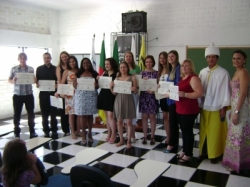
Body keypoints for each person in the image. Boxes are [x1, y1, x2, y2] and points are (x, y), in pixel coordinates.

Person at [198, 45, 231, 163]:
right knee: (203, 130)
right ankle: (204, 152)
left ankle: (216, 154)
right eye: (209, 57)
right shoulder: (202, 72)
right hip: (204, 107)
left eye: (213, 57)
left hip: (217, 107)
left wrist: (224, 107)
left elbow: (226, 92)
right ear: (206, 58)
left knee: (215, 131)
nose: (211, 59)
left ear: (217, 58)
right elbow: (199, 89)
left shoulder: (223, 73)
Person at [222, 50, 250, 172]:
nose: (236, 60)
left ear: (244, 60)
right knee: (235, 135)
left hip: (241, 107)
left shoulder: (243, 72)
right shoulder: (236, 72)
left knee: (239, 135)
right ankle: (234, 162)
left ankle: (240, 164)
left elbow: (243, 93)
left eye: (239, 58)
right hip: (235, 106)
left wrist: (237, 111)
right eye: (234, 58)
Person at [175, 59, 203, 163]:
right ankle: (185, 149)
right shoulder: (183, 78)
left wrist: (186, 95)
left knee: (187, 132)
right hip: (180, 108)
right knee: (184, 131)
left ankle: (188, 153)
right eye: (183, 66)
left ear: (191, 67)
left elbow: (199, 93)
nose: (184, 67)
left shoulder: (193, 78)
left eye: (187, 66)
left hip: (189, 109)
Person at [8, 53, 38, 139]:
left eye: (24, 58)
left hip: (28, 94)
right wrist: (13, 80)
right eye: (21, 58)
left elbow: (34, 80)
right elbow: (9, 80)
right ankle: (16, 132)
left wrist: (35, 80)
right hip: (18, 95)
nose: (22, 60)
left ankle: (32, 131)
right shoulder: (14, 69)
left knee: (31, 114)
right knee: (17, 114)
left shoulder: (31, 69)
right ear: (18, 59)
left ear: (26, 59)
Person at [111, 62, 137, 149]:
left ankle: (129, 140)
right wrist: (111, 87)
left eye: (124, 67)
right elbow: (114, 93)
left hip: (128, 100)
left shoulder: (132, 77)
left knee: (129, 122)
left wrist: (134, 89)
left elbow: (136, 91)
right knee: (119, 122)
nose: (123, 69)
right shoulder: (117, 79)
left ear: (127, 68)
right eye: (121, 67)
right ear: (119, 68)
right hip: (119, 100)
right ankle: (121, 139)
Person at [73, 58, 98, 144]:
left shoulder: (94, 73)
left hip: (91, 96)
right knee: (82, 115)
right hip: (81, 96)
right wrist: (75, 84)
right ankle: (83, 133)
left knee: (90, 115)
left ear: (90, 64)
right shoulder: (78, 73)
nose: (85, 64)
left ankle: (90, 133)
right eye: (83, 63)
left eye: (87, 63)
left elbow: (98, 85)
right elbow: (74, 85)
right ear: (81, 64)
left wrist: (96, 85)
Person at [36, 52, 58, 139]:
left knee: (53, 114)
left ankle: (54, 131)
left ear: (51, 58)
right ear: (43, 59)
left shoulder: (56, 68)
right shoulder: (39, 69)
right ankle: (46, 131)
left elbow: (58, 80)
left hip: (53, 94)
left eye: (48, 58)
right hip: (43, 95)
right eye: (45, 58)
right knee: (44, 114)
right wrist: (37, 84)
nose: (46, 59)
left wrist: (57, 84)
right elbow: (37, 82)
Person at [97, 58, 118, 144]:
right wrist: (99, 79)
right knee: (106, 116)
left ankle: (114, 134)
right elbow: (100, 85)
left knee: (111, 116)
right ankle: (109, 133)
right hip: (103, 95)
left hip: (111, 95)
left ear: (112, 64)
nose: (106, 66)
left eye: (108, 64)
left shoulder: (117, 73)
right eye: (105, 64)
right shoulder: (104, 73)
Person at [164, 50, 181, 153]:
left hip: (175, 99)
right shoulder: (172, 69)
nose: (170, 58)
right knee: (172, 121)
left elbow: (177, 84)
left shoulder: (178, 69)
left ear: (176, 57)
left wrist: (169, 91)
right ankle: (173, 142)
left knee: (173, 122)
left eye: (172, 56)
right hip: (170, 99)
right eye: (169, 56)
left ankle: (172, 143)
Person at [139, 55, 159, 145]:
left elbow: (159, 85)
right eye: (147, 62)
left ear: (153, 62)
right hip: (144, 97)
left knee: (152, 117)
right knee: (144, 117)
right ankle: (145, 136)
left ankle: (152, 136)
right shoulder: (141, 73)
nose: (148, 63)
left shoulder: (157, 73)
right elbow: (138, 86)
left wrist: (154, 91)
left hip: (153, 97)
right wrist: (142, 81)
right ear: (145, 63)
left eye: (150, 62)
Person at [60, 56, 79, 139]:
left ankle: (78, 130)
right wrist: (60, 93)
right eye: (70, 62)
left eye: (73, 61)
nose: (72, 63)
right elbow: (62, 83)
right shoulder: (66, 71)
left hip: (78, 94)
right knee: (71, 114)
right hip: (69, 95)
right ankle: (72, 132)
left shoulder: (79, 71)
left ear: (76, 62)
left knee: (78, 114)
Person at [124, 51, 141, 142]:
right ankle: (127, 133)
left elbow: (140, 80)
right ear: (124, 57)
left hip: (134, 93)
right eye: (127, 56)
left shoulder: (137, 68)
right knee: (126, 115)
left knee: (133, 115)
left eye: (130, 56)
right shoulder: (122, 67)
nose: (128, 58)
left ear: (132, 57)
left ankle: (133, 133)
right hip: (124, 94)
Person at [158, 51, 172, 144]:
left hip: (170, 96)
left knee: (171, 118)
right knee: (165, 117)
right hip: (162, 95)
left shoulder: (171, 69)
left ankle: (172, 137)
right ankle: (168, 137)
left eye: (164, 58)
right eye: (160, 58)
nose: (162, 60)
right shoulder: (159, 70)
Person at [56, 51, 70, 136]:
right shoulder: (59, 67)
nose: (64, 58)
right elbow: (59, 80)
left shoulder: (72, 66)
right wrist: (60, 91)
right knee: (63, 112)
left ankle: (73, 128)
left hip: (72, 90)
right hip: (63, 90)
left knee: (71, 111)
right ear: (60, 59)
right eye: (62, 57)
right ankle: (66, 130)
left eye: (65, 56)